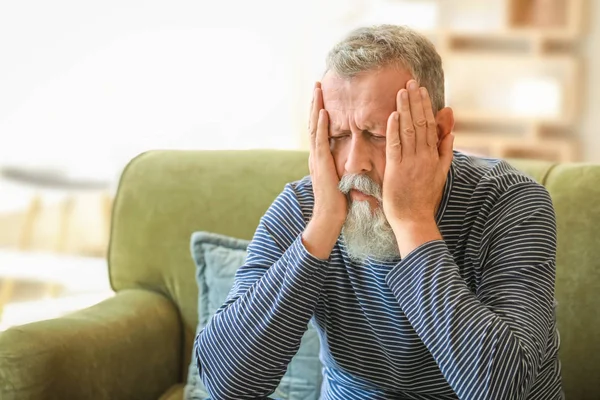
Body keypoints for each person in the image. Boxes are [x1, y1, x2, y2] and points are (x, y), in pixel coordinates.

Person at [195, 24, 562, 399]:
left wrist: (413, 222)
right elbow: (226, 385)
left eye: (378, 135)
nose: (354, 164)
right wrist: (322, 225)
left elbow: (502, 389)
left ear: (436, 132)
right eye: (337, 137)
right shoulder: (308, 206)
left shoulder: (510, 203)